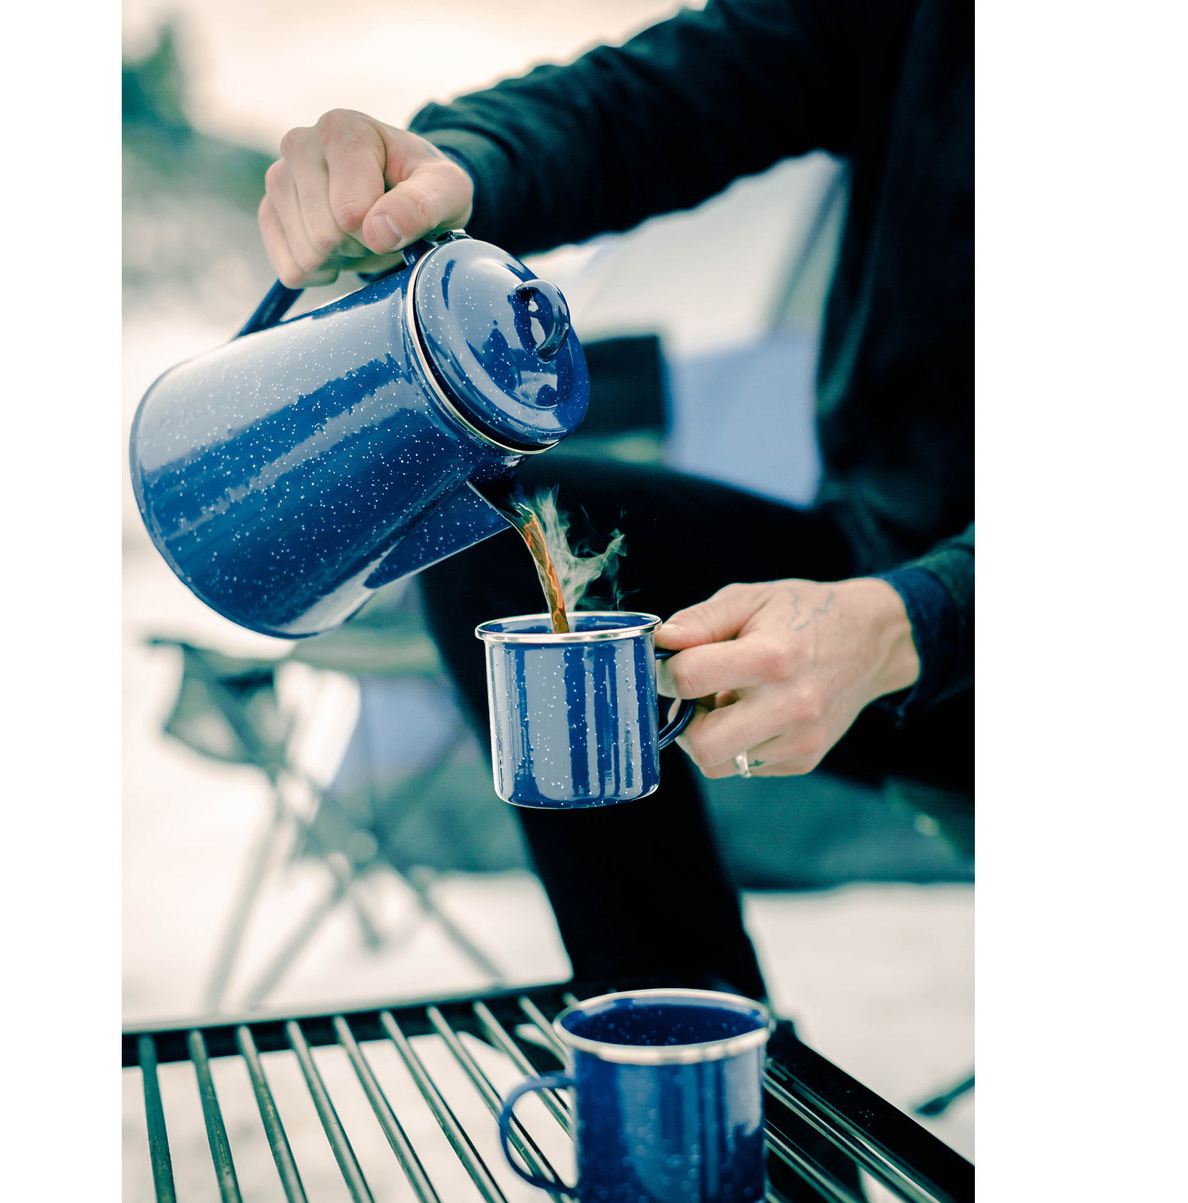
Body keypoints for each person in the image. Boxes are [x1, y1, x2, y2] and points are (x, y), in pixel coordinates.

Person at [255, 0, 973, 1003]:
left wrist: (917, 620)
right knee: (497, 538)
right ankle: (693, 1069)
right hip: (878, 562)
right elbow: (665, 97)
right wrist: (453, 164)